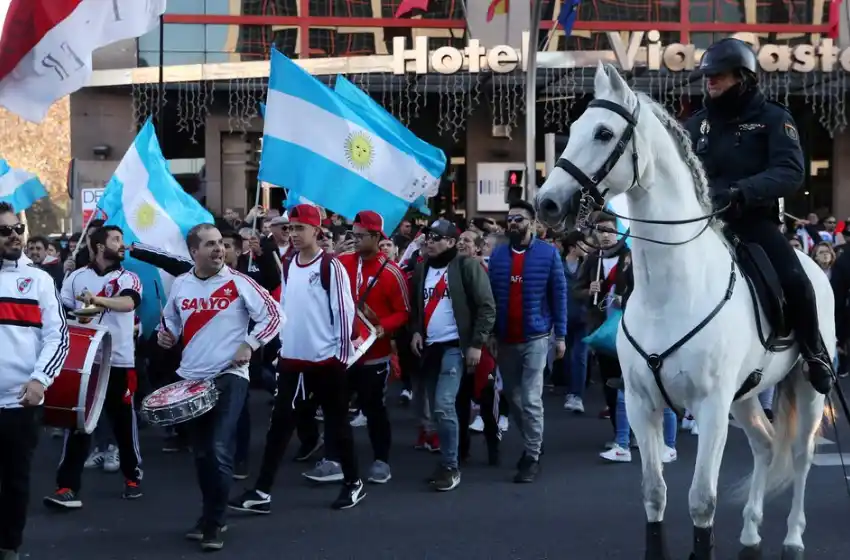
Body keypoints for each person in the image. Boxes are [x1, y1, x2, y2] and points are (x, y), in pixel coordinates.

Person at [684, 37, 834, 395]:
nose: (710, 81)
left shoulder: (773, 118)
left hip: (751, 222)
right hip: (703, 226)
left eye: (719, 75)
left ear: (743, 77)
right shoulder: (696, 124)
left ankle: (815, 353)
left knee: (795, 279)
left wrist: (742, 191)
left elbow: (789, 171)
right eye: (708, 75)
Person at [229, 204, 366, 513]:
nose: (293, 234)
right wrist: (283, 347)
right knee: (279, 426)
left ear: (316, 231)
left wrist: (341, 356)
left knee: (337, 424)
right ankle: (262, 491)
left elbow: (344, 312)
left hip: (326, 361)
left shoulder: (331, 266)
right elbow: (285, 306)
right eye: (290, 229)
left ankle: (353, 482)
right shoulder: (289, 262)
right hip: (293, 360)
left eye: (299, 228)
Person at [157, 223, 281, 551]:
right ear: (193, 251)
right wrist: (165, 336)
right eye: (210, 244)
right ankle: (209, 514)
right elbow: (168, 323)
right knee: (201, 454)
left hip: (230, 375)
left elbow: (275, 316)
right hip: (190, 379)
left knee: (217, 447)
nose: (218, 249)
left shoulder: (240, 283)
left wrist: (250, 344)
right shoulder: (181, 285)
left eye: (221, 244)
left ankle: (215, 522)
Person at [45, 226, 144, 509]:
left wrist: (97, 301)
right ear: (100, 246)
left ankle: (132, 476)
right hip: (85, 361)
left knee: (124, 422)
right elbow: (62, 312)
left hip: (120, 361)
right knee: (77, 424)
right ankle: (66, 486)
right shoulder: (76, 277)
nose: (122, 245)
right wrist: (79, 315)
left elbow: (128, 303)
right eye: (116, 240)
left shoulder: (129, 277)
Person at [0, 203, 70, 560]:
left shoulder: (39, 279)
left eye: (18, 229)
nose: (15, 236)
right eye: (5, 231)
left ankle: (8, 546)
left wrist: (41, 380)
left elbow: (58, 337)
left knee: (14, 481)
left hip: (19, 402)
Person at [409, 218, 495, 491]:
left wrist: (476, 344)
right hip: (430, 348)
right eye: (427, 237)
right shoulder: (422, 269)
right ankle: (448, 460)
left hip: (455, 347)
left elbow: (487, 307)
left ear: (450, 242)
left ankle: (451, 466)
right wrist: (416, 332)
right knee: (438, 410)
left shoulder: (466, 266)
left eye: (436, 237)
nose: (429, 241)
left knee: (444, 405)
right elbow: (416, 309)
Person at [488, 200, 567, 482]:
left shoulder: (548, 254)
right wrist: (490, 335)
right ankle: (534, 439)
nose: (513, 223)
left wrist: (561, 336)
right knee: (514, 397)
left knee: (532, 398)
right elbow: (492, 299)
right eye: (509, 219)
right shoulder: (497, 255)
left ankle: (532, 456)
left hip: (536, 337)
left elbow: (558, 295)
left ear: (532, 223)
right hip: (505, 338)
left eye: (519, 219)